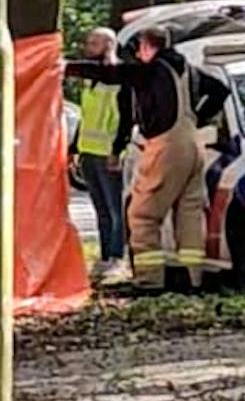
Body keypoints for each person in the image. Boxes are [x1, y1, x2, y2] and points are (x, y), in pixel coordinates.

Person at [65, 27, 229, 289]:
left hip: (166, 145)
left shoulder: (152, 69)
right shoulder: (186, 69)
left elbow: (111, 73)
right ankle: (193, 276)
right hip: (193, 144)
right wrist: (198, 117)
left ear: (146, 46)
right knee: (189, 213)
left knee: (142, 215)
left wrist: (67, 67)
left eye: (139, 47)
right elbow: (220, 90)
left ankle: (149, 279)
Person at [71, 28, 132, 285]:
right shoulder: (90, 76)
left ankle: (117, 257)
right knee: (101, 209)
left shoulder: (118, 75)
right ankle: (105, 255)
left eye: (95, 43)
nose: (88, 46)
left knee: (114, 208)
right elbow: (87, 115)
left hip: (108, 153)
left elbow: (125, 118)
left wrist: (117, 151)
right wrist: (74, 148)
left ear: (109, 45)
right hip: (89, 152)